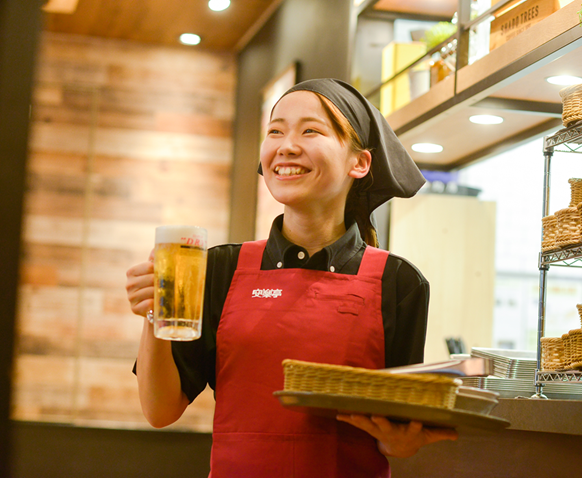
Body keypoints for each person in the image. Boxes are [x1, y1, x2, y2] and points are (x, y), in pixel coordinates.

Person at [125, 78, 457, 477]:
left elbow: (397, 432)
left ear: (360, 162)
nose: (286, 145)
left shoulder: (398, 282)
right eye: (275, 130)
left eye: (310, 130)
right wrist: (154, 316)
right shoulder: (219, 269)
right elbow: (160, 411)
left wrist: (400, 443)